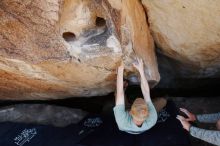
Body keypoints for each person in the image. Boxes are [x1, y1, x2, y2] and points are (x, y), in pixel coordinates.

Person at [113, 58, 157, 134]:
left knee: (118, 95)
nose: (138, 98)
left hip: (126, 125)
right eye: (143, 101)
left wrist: (120, 70)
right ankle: (165, 99)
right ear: (147, 111)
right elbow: (146, 93)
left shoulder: (122, 121)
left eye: (136, 101)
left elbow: (120, 94)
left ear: (130, 112)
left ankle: (124, 86)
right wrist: (141, 70)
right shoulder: (153, 118)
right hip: (142, 115)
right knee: (162, 100)